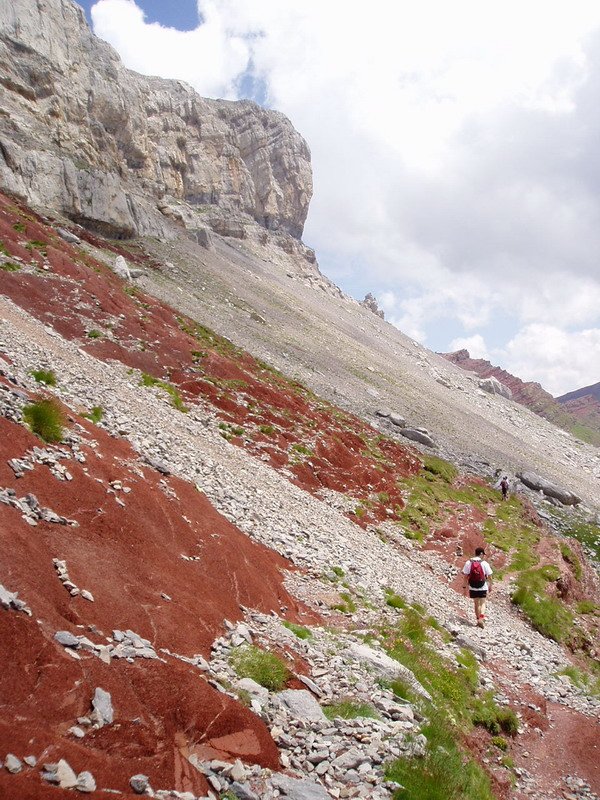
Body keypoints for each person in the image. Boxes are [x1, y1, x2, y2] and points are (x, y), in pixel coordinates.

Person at [462, 547, 493, 628]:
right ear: (481, 554)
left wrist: (465, 588)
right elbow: (489, 576)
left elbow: (465, 576)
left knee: (476, 603)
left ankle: (478, 619)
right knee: (483, 602)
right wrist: (490, 585)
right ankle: (481, 618)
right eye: (483, 554)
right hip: (482, 586)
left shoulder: (469, 562)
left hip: (472, 586)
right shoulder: (484, 563)